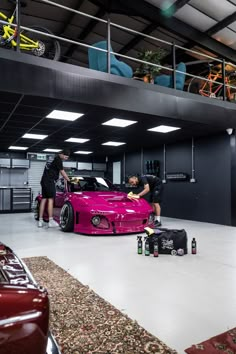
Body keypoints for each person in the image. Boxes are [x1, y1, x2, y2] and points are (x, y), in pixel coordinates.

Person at [38, 149, 71, 228]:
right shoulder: (58, 160)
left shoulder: (52, 158)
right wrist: (69, 180)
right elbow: (62, 172)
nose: (66, 159)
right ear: (62, 154)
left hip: (44, 181)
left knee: (43, 199)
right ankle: (50, 220)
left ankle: (40, 221)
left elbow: (54, 168)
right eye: (66, 157)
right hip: (50, 181)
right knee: (50, 200)